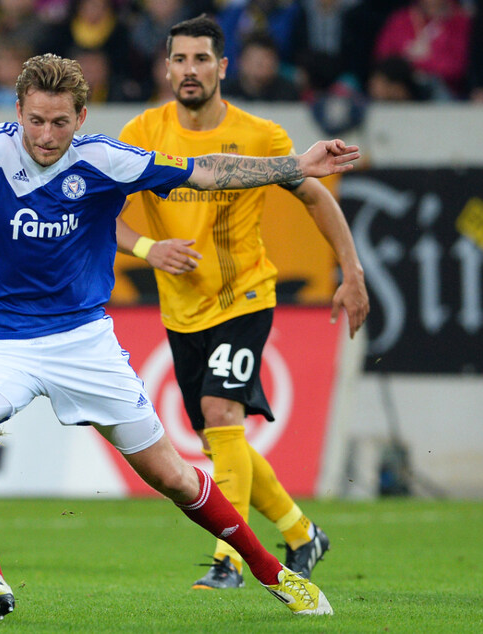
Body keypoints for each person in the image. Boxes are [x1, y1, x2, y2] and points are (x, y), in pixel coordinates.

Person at [0, 52, 358, 618]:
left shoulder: (105, 160)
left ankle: (274, 573)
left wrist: (295, 164)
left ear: (81, 117)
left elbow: (205, 172)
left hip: (84, 345)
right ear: (18, 111)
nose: (47, 135)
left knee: (175, 478)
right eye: (36, 120)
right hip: (3, 344)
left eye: (60, 122)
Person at [115, 16, 369, 590]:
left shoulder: (260, 135)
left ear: (221, 67)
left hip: (245, 296)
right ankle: (302, 532)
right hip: (181, 310)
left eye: (201, 59)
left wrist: (350, 272)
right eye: (179, 59)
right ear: (166, 66)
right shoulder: (141, 132)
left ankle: (228, 560)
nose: (189, 70)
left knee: (221, 415)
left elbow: (317, 200)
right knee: (216, 437)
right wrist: (149, 249)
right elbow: (99, 211)